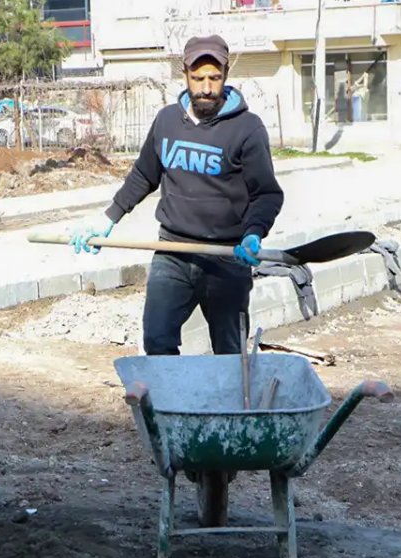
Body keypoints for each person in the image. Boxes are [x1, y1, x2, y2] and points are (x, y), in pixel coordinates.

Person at [69, 34, 284, 357]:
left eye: (214, 78)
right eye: (198, 79)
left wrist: (253, 233)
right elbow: (144, 175)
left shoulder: (248, 129)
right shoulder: (167, 121)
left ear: (226, 76)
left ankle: (230, 407)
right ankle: (174, 406)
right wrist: (108, 218)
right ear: (184, 74)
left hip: (227, 257)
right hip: (172, 251)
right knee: (157, 340)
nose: (207, 88)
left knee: (230, 351)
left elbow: (266, 194)